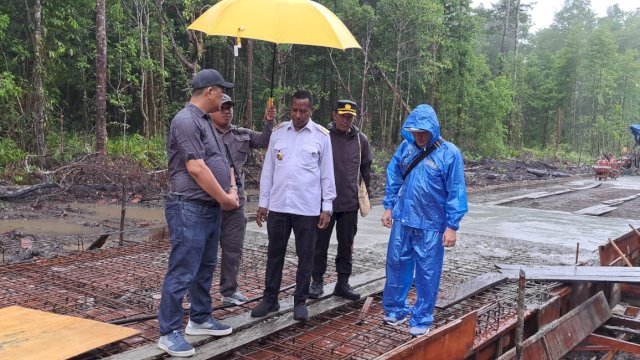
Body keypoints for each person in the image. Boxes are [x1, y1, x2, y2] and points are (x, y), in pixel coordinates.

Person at [157, 69, 240, 357]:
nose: (224, 97)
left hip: (209, 208)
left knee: (205, 266)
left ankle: (200, 318)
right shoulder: (185, 121)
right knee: (182, 270)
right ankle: (168, 332)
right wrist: (225, 199)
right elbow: (196, 168)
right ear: (210, 92)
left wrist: (231, 191)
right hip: (188, 207)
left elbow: (220, 161)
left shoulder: (207, 122)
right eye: (221, 91)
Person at [380, 104, 468, 338]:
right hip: (403, 220)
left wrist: (452, 226)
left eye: (423, 132)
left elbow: (456, 191)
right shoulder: (406, 148)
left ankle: (421, 318)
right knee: (397, 264)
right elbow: (394, 175)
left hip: (431, 225)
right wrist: (389, 206)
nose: (419, 136)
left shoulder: (449, 153)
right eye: (415, 131)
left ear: (433, 129)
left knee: (427, 273)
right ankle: (395, 310)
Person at [251, 90, 336, 322]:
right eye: (295, 110)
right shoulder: (278, 133)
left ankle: (300, 300)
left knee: (305, 255)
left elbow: (327, 174)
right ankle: (270, 299)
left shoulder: (321, 136)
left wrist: (326, 207)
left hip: (306, 208)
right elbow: (268, 171)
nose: (298, 115)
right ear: (290, 109)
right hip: (279, 206)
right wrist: (263, 203)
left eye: (303, 111)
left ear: (311, 110)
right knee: (274, 253)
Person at [210, 94, 276, 305]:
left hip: (235, 203)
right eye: (222, 107)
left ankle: (229, 291)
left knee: (233, 249)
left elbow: (265, 140)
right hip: (208, 203)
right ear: (211, 110)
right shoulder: (203, 134)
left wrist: (268, 121)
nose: (227, 111)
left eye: (229, 107)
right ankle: (198, 296)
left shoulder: (241, 134)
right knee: (204, 252)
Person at [309, 99, 372, 301]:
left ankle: (342, 282)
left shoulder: (360, 140)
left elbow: (366, 170)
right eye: (343, 116)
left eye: (350, 117)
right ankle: (317, 281)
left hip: (349, 203)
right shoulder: (322, 137)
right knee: (319, 245)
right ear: (334, 115)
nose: (346, 120)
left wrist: (362, 194)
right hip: (324, 204)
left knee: (347, 244)